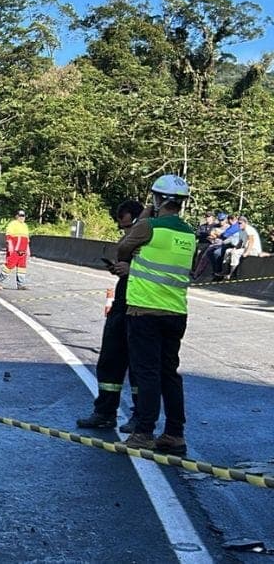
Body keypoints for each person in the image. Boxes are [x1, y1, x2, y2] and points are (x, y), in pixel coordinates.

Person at [114, 175, 195, 455]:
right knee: (169, 372)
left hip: (144, 310)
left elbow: (123, 248)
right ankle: (174, 433)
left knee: (146, 372)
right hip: (175, 311)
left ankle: (144, 432)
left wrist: (144, 218)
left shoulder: (148, 226)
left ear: (157, 199)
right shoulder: (189, 233)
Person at [76, 199, 144, 432]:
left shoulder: (150, 236)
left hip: (143, 307)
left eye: (127, 227)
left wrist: (133, 270)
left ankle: (140, 417)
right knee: (110, 360)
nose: (124, 232)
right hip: (123, 302)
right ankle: (105, 412)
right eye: (121, 228)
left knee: (139, 367)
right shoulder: (132, 239)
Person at [0, 209, 30, 290]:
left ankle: (20, 285)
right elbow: (8, 236)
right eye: (20, 216)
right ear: (16, 216)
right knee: (9, 266)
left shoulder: (25, 226)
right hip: (14, 251)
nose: (22, 217)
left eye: (23, 216)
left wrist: (27, 250)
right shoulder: (12, 224)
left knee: (22, 268)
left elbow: (27, 239)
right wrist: (10, 246)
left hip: (23, 251)